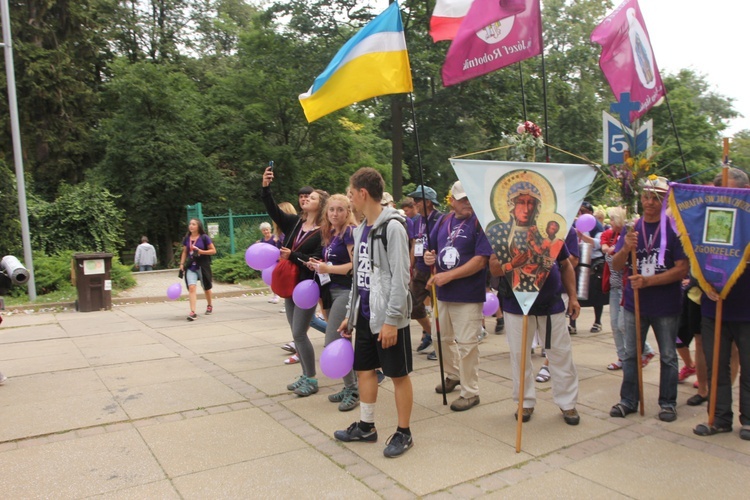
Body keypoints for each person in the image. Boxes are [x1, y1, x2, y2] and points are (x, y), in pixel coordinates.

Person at [333, 167, 414, 458]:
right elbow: (360, 277)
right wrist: (352, 315)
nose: (351, 199)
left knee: (398, 374)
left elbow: (400, 278)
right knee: (364, 369)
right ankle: (367, 426)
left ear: (363, 193)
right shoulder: (361, 229)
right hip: (366, 315)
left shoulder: (392, 227)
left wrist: (392, 320)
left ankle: (404, 432)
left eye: (351, 194)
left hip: (389, 318)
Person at [609, 176, 688, 422]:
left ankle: (667, 403)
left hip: (665, 305)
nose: (650, 202)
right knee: (631, 354)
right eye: (646, 196)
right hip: (635, 305)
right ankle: (628, 400)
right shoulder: (633, 229)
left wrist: (649, 282)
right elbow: (616, 264)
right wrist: (625, 249)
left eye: (656, 197)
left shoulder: (675, 230)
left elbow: (682, 269)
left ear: (665, 200)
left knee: (667, 355)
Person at [489, 232, 582, 425]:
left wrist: (573, 297)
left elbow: (566, 266)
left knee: (561, 354)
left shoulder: (552, 231)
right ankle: (525, 401)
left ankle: (568, 403)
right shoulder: (504, 233)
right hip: (517, 306)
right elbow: (494, 268)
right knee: (520, 356)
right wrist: (518, 259)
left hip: (551, 304)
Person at [423, 181, 493, 411]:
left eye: (470, 198)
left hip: (468, 294)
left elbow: (481, 260)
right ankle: (453, 374)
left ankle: (471, 391)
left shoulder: (479, 222)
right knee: (439, 338)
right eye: (463, 199)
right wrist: (428, 258)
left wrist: (449, 276)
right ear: (452, 200)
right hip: (442, 292)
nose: (468, 203)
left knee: (467, 344)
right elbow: (430, 247)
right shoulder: (444, 220)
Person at [694, 167, 749, 439]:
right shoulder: (706, 220)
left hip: (746, 307)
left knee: (748, 366)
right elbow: (695, 257)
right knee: (717, 366)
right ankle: (719, 418)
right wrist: (704, 283)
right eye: (721, 193)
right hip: (714, 306)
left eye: (732, 193)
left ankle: (748, 419)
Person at [262, 167, 328, 397]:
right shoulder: (295, 223)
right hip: (289, 285)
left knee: (299, 332)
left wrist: (294, 256)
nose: (305, 199)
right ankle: (305, 374)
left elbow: (317, 259)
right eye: (305, 197)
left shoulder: (323, 231)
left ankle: (311, 378)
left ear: (320, 205)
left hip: (307, 287)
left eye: (311, 198)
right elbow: (272, 209)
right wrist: (266, 187)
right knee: (295, 331)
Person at [305, 193, 359, 411]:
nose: (335, 213)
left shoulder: (349, 232)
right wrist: (319, 264)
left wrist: (328, 268)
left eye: (340, 209)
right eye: (331, 210)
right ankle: (350, 386)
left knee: (333, 341)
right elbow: (334, 262)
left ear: (348, 212)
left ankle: (354, 389)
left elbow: (354, 266)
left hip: (346, 292)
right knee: (341, 341)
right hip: (331, 290)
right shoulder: (331, 233)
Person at [407, 185, 442, 357]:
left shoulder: (440, 219)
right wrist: (410, 265)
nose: (414, 203)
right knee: (413, 306)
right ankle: (430, 333)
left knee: (437, 309)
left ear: (428, 202)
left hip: (434, 270)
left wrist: (436, 271)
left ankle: (440, 343)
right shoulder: (416, 220)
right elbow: (415, 244)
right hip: (419, 269)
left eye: (417, 200)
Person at [574, 201, 608, 333]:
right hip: (579, 261)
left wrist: (582, 236)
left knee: (596, 294)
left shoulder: (597, 226)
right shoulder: (575, 224)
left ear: (590, 213)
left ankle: (597, 321)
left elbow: (599, 244)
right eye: (580, 211)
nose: (581, 214)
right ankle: (572, 323)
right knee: (575, 293)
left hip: (594, 262)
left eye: (584, 211)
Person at [179, 219, 217, 321]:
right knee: (191, 287)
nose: (191, 226)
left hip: (203, 265)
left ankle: (209, 304)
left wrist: (201, 251)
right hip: (191, 266)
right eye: (190, 224)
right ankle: (193, 312)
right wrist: (182, 264)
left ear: (198, 226)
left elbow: (213, 251)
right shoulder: (187, 238)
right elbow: (184, 252)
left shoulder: (204, 237)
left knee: (206, 287)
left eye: (193, 224)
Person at [258, 222, 282, 304]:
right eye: (264, 230)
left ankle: (278, 295)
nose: (266, 232)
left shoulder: (274, 238)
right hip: (267, 264)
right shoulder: (262, 240)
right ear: (262, 231)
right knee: (270, 279)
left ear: (270, 229)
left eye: (267, 230)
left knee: (275, 279)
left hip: (276, 262)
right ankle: (274, 295)